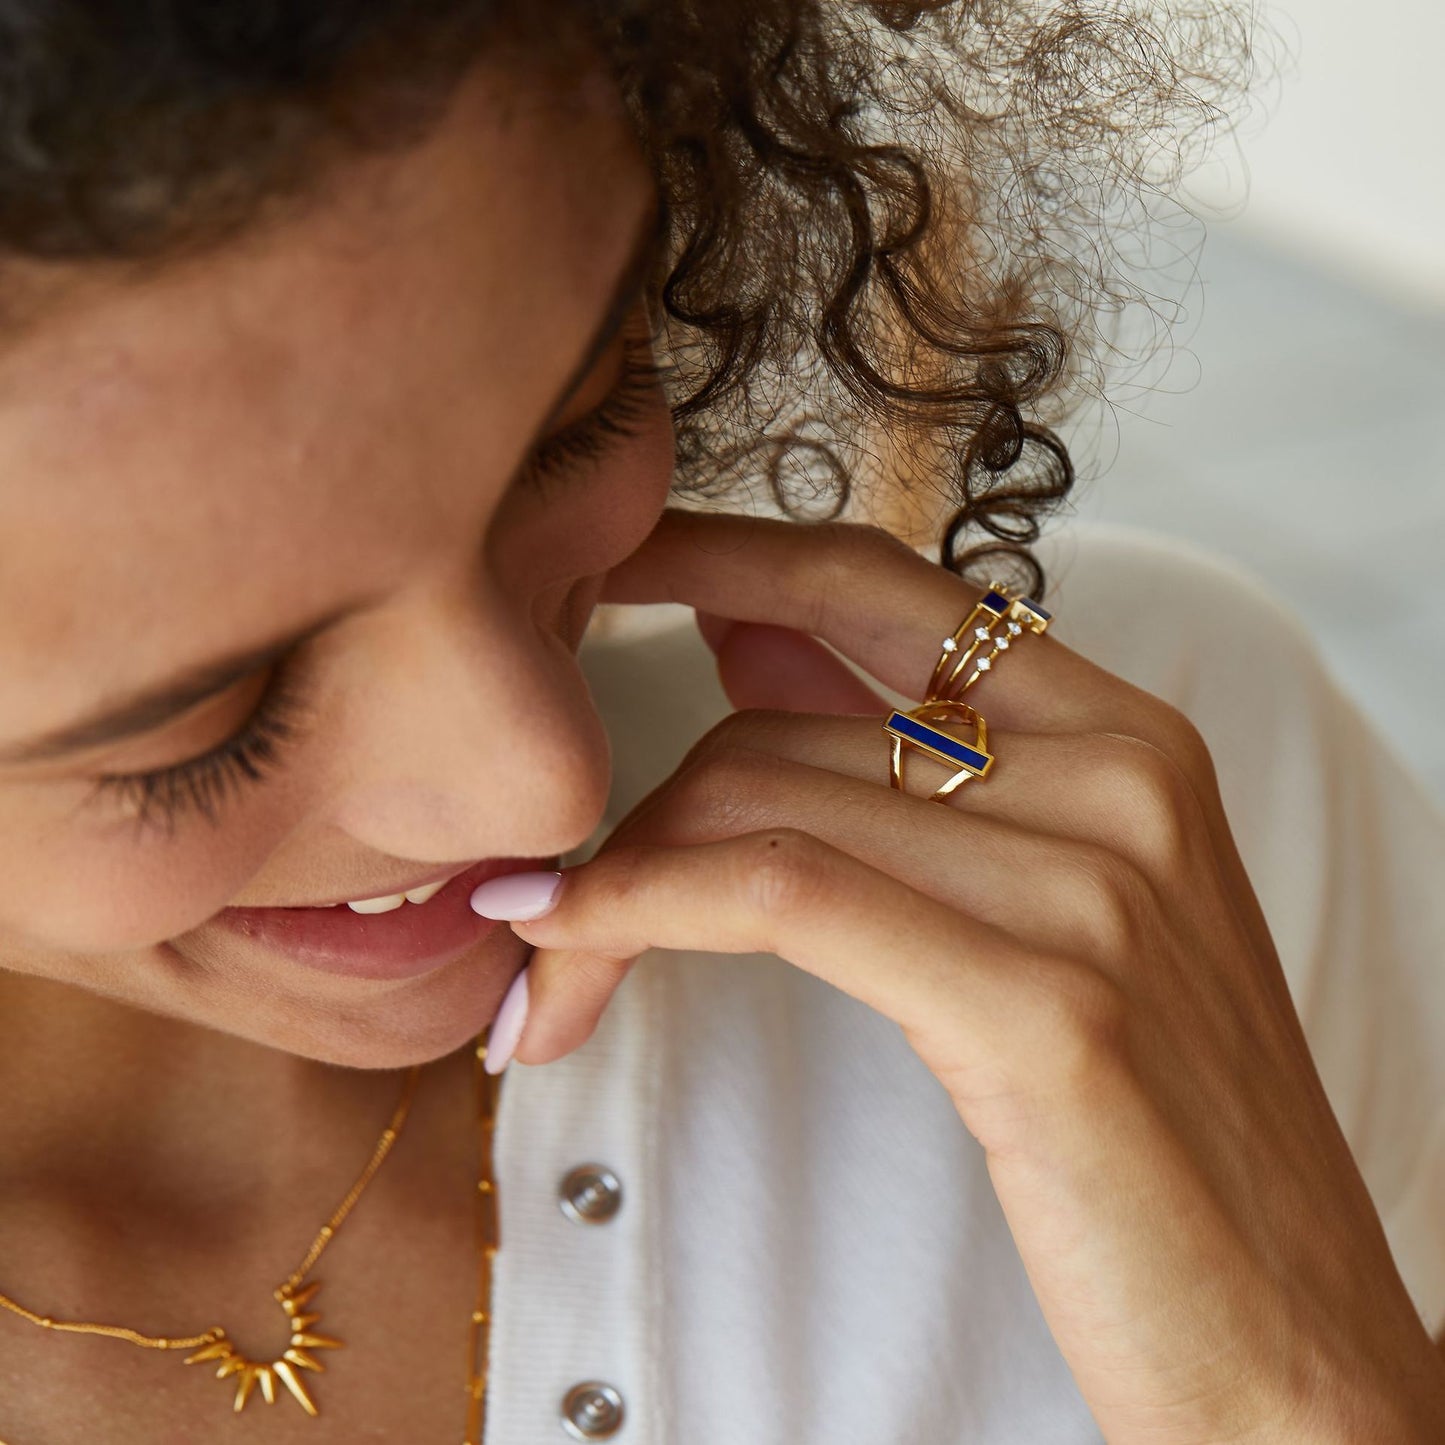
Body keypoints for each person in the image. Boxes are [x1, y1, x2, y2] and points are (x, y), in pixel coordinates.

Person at [0, 3, 1439, 1443]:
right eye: (204, 718)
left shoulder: (1150, 813)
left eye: (570, 429)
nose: (547, 782)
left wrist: (1307, 1403)